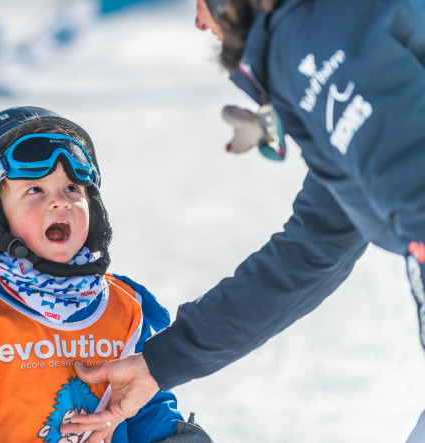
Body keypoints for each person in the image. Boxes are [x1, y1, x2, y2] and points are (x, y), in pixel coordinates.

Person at [60, 0, 425, 441]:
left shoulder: (313, 37)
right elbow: (313, 247)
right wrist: (162, 362)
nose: (200, 21)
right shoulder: (323, 28)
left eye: (200, 3)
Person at [0, 106, 213, 442]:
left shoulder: (126, 310)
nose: (61, 202)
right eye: (35, 190)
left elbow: (147, 407)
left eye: (73, 188)